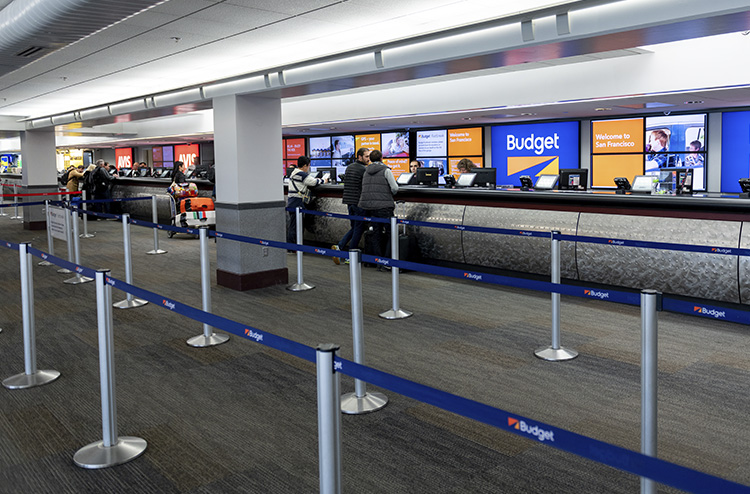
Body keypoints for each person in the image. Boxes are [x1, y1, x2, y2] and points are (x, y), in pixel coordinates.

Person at [358, 149, 398, 268]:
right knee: (391, 233)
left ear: (370, 159)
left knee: (376, 233)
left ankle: (378, 261)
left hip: (370, 207)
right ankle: (387, 261)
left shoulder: (366, 171)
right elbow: (395, 188)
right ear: (381, 159)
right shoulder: (386, 170)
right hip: (385, 206)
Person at [332, 147, 371, 264]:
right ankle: (350, 255)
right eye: (366, 156)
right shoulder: (364, 170)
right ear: (360, 157)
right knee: (359, 228)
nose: (368, 159)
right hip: (359, 202)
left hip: (349, 202)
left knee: (355, 227)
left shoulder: (349, 167)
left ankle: (340, 246)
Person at [287, 156, 326, 248]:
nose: (308, 168)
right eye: (308, 166)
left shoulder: (294, 173)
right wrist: (323, 180)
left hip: (292, 201)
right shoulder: (301, 174)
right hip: (297, 202)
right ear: (305, 166)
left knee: (294, 224)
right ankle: (292, 247)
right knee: (295, 225)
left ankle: (292, 246)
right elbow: (313, 182)